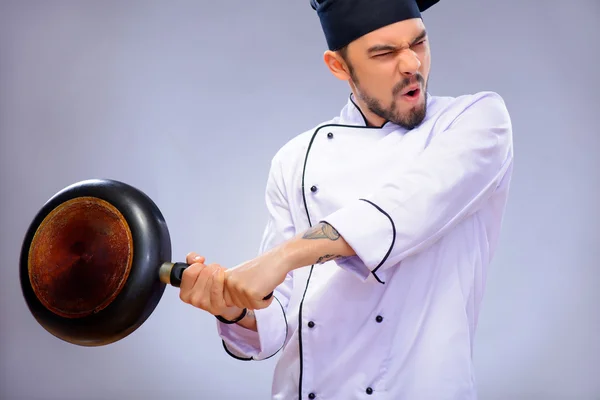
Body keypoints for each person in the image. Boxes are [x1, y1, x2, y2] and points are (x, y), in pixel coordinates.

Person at [179, 0, 514, 398]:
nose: (412, 65)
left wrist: (282, 257)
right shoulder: (296, 159)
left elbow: (406, 206)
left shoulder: (475, 121)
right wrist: (233, 307)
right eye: (385, 52)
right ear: (339, 66)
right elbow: (281, 317)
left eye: (418, 43)